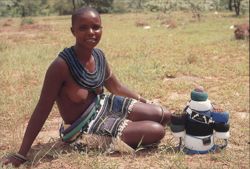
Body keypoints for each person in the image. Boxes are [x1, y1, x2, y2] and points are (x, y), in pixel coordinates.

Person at [1, 7, 171, 168]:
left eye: (96, 27)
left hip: (104, 106)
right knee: (156, 131)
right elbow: (42, 109)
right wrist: (21, 154)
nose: (91, 32)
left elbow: (116, 87)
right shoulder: (61, 66)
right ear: (73, 31)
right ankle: (113, 134)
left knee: (162, 114)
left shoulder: (98, 55)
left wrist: (144, 101)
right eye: (83, 28)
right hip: (82, 128)